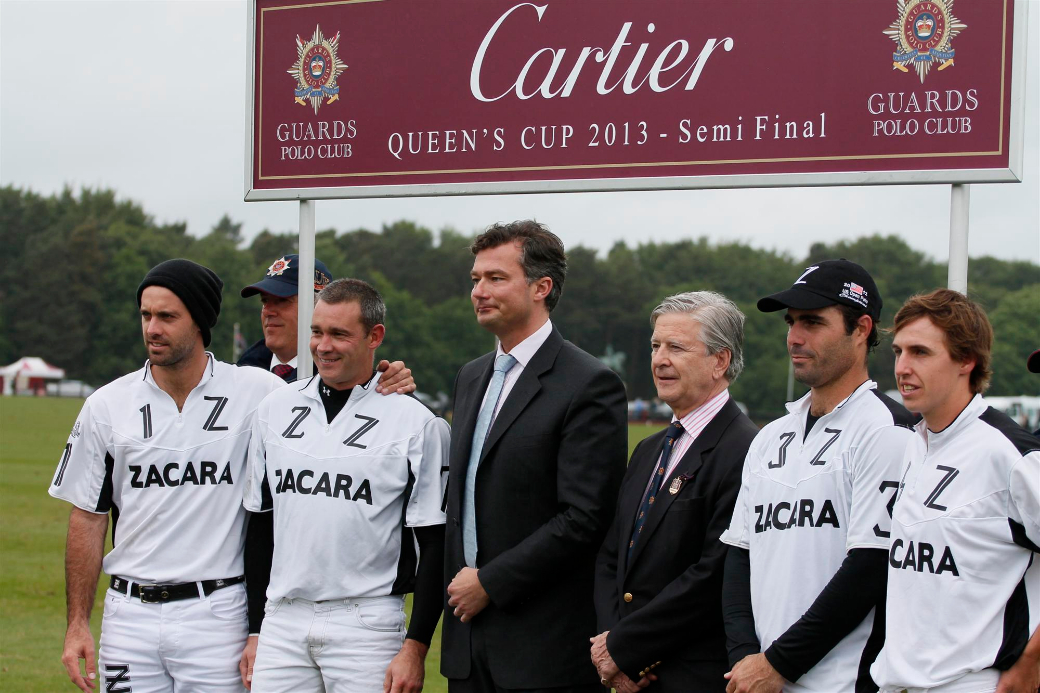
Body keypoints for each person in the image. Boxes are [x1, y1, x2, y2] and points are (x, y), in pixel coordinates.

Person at [50, 259, 286, 693]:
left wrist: (387, 380)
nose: (152, 329)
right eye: (146, 315)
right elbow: (87, 517)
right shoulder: (106, 405)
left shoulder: (258, 393)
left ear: (200, 322)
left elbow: (335, 398)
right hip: (128, 616)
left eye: (167, 316)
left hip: (218, 616)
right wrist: (78, 623)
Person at [440, 221, 628, 692]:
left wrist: (490, 582)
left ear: (542, 287)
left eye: (496, 278)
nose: (479, 291)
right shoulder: (471, 377)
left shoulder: (589, 383)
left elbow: (585, 518)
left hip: (541, 650)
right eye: (475, 279)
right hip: (467, 646)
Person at [243, 279, 449, 693]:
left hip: (367, 625)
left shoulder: (418, 424)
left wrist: (416, 646)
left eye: (339, 334)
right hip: (283, 619)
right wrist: (255, 630)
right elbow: (260, 528)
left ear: (375, 337)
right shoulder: (272, 411)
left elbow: (435, 545)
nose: (323, 346)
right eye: (317, 332)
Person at [720, 259, 917, 693]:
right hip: (758, 680)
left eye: (813, 322)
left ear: (861, 328)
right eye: (791, 322)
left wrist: (779, 664)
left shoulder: (887, 430)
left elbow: (869, 569)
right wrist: (745, 660)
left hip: (840, 682)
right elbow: (738, 559)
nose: (794, 336)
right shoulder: (770, 436)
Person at [871, 289, 1040, 693]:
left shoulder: (1014, 456)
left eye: (921, 353)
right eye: (898, 352)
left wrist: (1032, 663)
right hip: (894, 683)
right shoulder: (912, 443)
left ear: (967, 360)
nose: (903, 367)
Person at [592, 292, 759, 692]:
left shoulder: (746, 450)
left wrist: (629, 648)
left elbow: (713, 572)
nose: (659, 359)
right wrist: (613, 646)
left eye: (676, 347)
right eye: (655, 346)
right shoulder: (649, 449)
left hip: (693, 675)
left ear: (720, 360)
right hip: (630, 672)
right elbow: (613, 555)